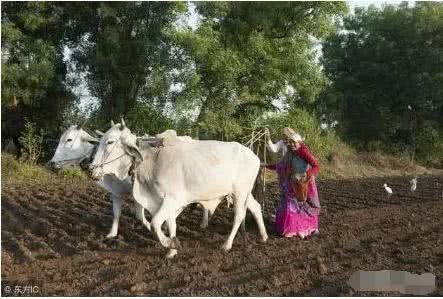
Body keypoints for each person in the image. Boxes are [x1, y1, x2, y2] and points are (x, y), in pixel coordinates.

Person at [263, 132, 320, 239]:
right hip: (291, 183)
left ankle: (308, 228)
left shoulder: (304, 152)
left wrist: (305, 174)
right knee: (289, 205)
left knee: (304, 206)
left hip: (303, 183)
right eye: (289, 142)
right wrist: (266, 166)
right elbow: (280, 165)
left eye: (293, 142)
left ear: (299, 142)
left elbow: (316, 166)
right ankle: (290, 229)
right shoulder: (289, 153)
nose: (291, 144)